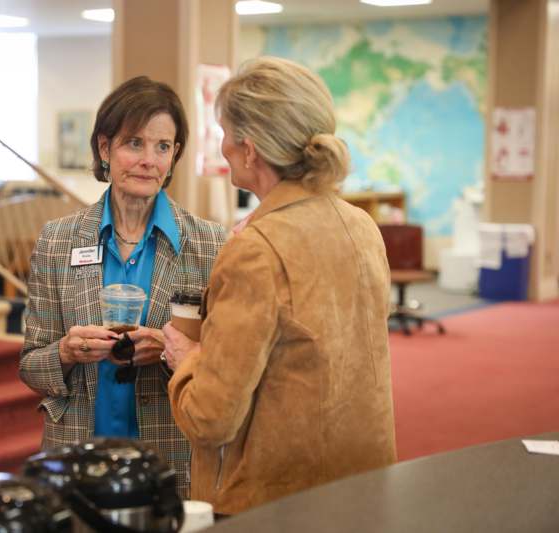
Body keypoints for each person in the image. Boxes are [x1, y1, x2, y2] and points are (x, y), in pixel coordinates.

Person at [161, 57, 397, 515]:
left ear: (249, 150)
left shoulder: (256, 250)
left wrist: (187, 361)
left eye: (225, 133)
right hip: (361, 488)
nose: (222, 146)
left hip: (274, 503)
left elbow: (211, 419)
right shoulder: (362, 226)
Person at [20, 76, 226, 498]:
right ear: (104, 148)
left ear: (175, 155)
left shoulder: (210, 245)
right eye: (134, 143)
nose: (148, 160)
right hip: (77, 455)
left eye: (162, 147)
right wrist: (66, 351)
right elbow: (30, 366)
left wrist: (170, 350)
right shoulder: (58, 241)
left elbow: (227, 368)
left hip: (171, 457)